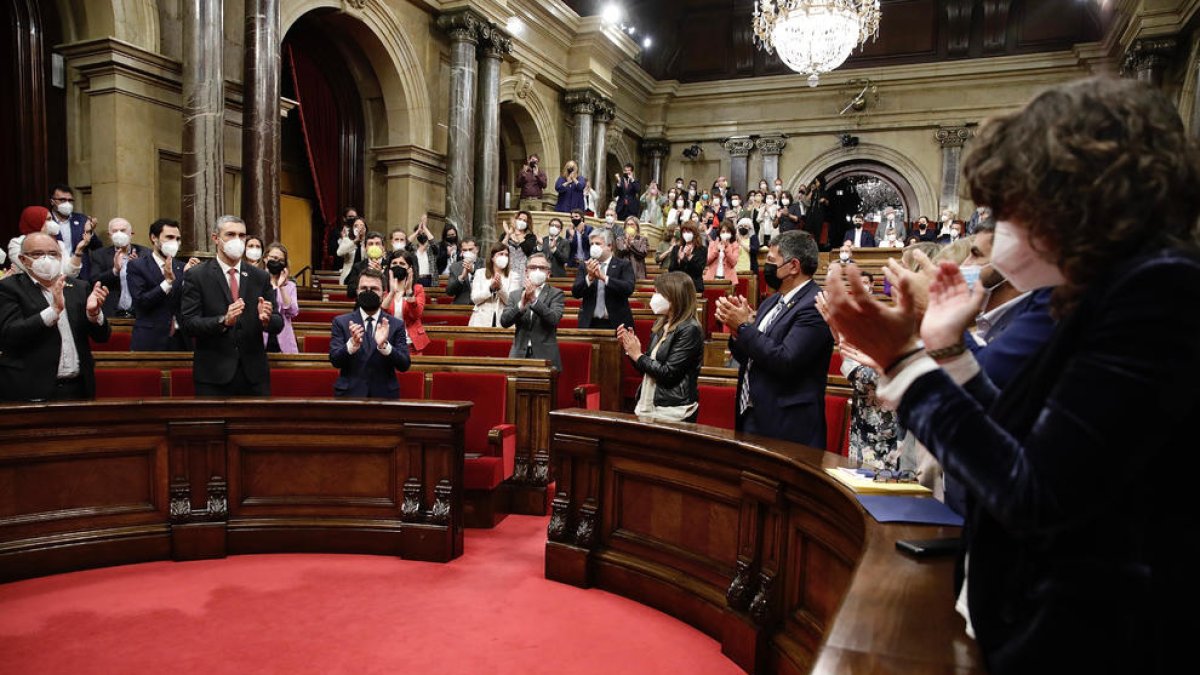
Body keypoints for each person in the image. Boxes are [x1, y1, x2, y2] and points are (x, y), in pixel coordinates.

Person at [821, 76, 1200, 674]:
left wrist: (903, 362)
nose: (997, 227)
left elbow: (1036, 494)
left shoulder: (1158, 291)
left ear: (1073, 196)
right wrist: (947, 352)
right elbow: (1021, 440)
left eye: (1009, 206)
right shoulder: (1104, 291)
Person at [716, 230, 833, 447]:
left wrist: (743, 327)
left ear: (794, 266)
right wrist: (736, 331)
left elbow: (785, 360)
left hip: (787, 425)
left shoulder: (814, 305)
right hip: (752, 414)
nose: (765, 267)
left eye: (771, 261)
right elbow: (751, 356)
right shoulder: (771, 302)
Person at [180, 215, 283, 396]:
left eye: (242, 236)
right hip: (213, 376)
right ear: (215, 238)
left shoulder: (260, 277)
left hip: (254, 376)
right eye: (230, 234)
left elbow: (278, 322)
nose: (237, 240)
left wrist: (266, 320)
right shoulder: (197, 276)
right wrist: (223, 321)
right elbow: (189, 324)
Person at [0, 232, 111, 401]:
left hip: (78, 388)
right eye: (37, 254)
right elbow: (10, 334)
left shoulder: (78, 287)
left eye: (53, 254)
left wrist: (94, 314)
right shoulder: (9, 288)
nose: (47, 259)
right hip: (31, 389)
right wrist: (53, 311)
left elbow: (102, 337)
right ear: (23, 260)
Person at [617, 271, 703, 422]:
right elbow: (647, 368)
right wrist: (630, 348)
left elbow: (669, 373)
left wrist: (639, 356)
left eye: (658, 293)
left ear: (675, 297)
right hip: (648, 404)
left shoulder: (690, 329)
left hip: (673, 410)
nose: (654, 297)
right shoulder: (661, 324)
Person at [329, 268, 411, 398]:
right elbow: (335, 360)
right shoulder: (341, 322)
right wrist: (351, 345)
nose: (368, 292)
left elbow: (404, 364)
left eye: (374, 289)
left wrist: (385, 346)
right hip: (349, 395)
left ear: (384, 294)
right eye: (363, 288)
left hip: (384, 397)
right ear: (357, 292)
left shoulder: (396, 324)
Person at [128, 218, 200, 351]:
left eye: (177, 239)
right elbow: (141, 302)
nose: (175, 242)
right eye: (169, 237)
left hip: (181, 339)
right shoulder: (138, 266)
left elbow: (189, 303)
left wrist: (189, 278)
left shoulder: (182, 267)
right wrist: (167, 282)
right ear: (154, 238)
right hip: (150, 339)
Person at [500, 252, 564, 368]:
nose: (537, 271)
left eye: (542, 268)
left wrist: (534, 300)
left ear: (548, 273)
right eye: (533, 267)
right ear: (526, 272)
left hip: (545, 356)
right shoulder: (515, 294)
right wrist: (521, 305)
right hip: (519, 355)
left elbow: (554, 319)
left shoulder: (556, 294)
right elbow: (504, 321)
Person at [571, 229, 634, 330]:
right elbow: (576, 293)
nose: (594, 247)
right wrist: (589, 278)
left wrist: (605, 278)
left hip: (617, 324)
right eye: (591, 244)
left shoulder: (623, 265)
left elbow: (628, 289)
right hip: (590, 323)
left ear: (610, 246)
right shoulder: (585, 266)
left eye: (598, 243)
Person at [89, 217, 151, 319]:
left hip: (140, 312)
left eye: (123, 230)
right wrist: (115, 271)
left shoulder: (146, 253)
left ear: (131, 234)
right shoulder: (99, 255)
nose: (119, 234)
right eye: (115, 231)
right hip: (112, 312)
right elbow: (94, 281)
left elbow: (154, 281)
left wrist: (139, 269)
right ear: (109, 236)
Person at [47, 184, 102, 281]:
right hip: (56, 273)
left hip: (81, 274)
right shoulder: (46, 220)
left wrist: (90, 232)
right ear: (52, 201)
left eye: (70, 200)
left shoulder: (81, 219)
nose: (67, 203)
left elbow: (97, 246)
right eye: (62, 200)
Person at [382, 250, 430, 355]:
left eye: (402, 263)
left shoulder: (417, 289)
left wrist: (408, 292)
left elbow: (416, 314)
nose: (397, 266)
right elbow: (381, 315)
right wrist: (391, 293)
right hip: (388, 343)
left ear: (409, 268)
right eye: (394, 263)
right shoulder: (383, 290)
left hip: (411, 343)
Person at [263, 243, 300, 354]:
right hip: (261, 338)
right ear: (265, 258)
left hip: (283, 339)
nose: (277, 262)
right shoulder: (257, 281)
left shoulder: (290, 285)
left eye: (281, 260)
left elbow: (293, 311)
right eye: (274, 258)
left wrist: (281, 286)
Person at [469, 242, 516, 328]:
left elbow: (512, 302)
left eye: (506, 255)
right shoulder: (480, 273)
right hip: (481, 321)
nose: (504, 257)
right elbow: (475, 299)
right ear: (492, 257)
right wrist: (490, 289)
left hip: (504, 322)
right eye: (501, 254)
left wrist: (500, 288)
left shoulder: (514, 276)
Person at [343, 231, 388, 300]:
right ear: (365, 247)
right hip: (362, 304)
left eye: (377, 244)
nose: (374, 246)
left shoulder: (390, 265)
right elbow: (350, 292)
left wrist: (380, 274)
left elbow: (392, 289)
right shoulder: (358, 266)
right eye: (370, 244)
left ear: (383, 247)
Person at [667, 221, 707, 292]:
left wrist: (689, 257)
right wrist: (679, 260)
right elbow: (671, 270)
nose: (686, 234)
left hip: (694, 286)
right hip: (678, 286)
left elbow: (699, 270)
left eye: (688, 231)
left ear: (694, 233)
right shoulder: (676, 248)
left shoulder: (702, 249)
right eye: (684, 232)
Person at [502, 211, 538, 288]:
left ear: (528, 223)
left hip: (522, 271)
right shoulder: (506, 234)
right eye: (519, 219)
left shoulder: (531, 237)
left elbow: (528, 251)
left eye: (524, 220)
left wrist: (517, 231)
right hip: (507, 269)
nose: (521, 222)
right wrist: (508, 234)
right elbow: (500, 248)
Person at [705, 220, 741, 285]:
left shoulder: (735, 245)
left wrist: (727, 247)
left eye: (728, 231)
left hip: (728, 279)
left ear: (731, 234)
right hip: (712, 278)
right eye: (723, 231)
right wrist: (716, 250)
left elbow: (733, 262)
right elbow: (707, 261)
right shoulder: (713, 244)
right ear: (719, 233)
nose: (725, 234)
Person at [445, 237, 479, 304]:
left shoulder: (485, 264)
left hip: (480, 305)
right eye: (465, 250)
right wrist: (461, 278)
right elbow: (449, 292)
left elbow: (488, 286)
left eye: (470, 249)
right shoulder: (455, 267)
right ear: (461, 251)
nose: (468, 252)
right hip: (461, 305)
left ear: (477, 249)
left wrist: (473, 272)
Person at [336, 216, 368, 284]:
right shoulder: (347, 240)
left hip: (364, 277)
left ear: (365, 229)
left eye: (361, 226)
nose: (359, 228)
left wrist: (363, 242)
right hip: (348, 276)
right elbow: (339, 253)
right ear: (352, 229)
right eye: (356, 226)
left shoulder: (368, 242)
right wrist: (355, 241)